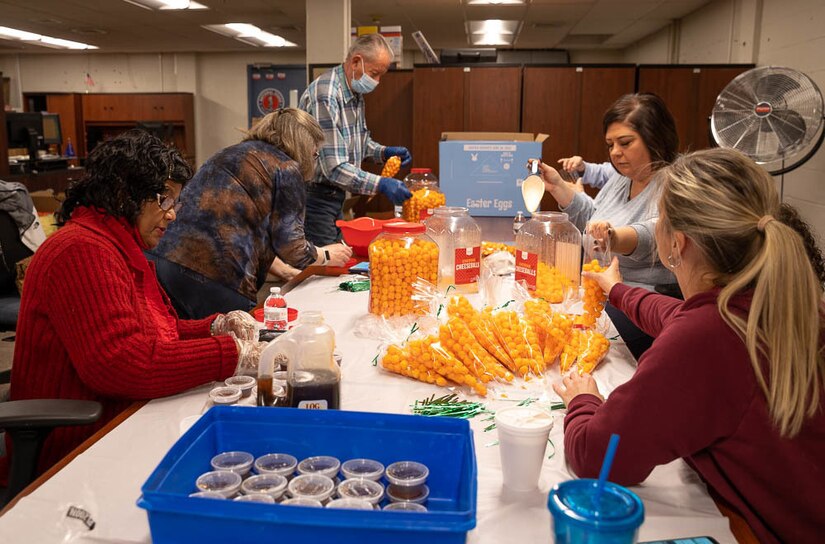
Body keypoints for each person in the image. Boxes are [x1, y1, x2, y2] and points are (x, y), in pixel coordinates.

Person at [553, 148, 825, 544]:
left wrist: (583, 399)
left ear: (675, 243)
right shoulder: (786, 301)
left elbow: (598, 456)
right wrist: (618, 291)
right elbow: (681, 317)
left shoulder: (707, 338)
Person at [6, 130, 264, 479]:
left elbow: (154, 334)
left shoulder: (117, 246)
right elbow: (123, 362)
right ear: (123, 194)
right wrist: (230, 353)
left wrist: (214, 326)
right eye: (164, 199)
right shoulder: (81, 251)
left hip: (121, 418)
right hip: (81, 447)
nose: (172, 215)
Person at [148, 109, 351, 319]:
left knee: (185, 341)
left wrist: (285, 272)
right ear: (304, 145)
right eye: (315, 153)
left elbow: (235, 229)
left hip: (163, 261)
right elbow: (293, 248)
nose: (314, 159)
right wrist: (326, 255)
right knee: (231, 345)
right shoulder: (287, 168)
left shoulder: (231, 153)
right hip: (216, 279)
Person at [536, 93, 678, 359]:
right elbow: (594, 218)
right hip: (599, 292)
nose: (615, 152)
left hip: (639, 305)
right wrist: (559, 189)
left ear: (655, 138)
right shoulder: (623, 179)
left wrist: (614, 236)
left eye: (625, 143)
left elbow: (654, 233)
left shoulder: (675, 184)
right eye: (610, 144)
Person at [299, 33, 412, 246]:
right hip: (314, 198)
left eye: (381, 76)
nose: (377, 82)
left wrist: (384, 152)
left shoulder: (354, 94)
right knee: (323, 266)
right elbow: (334, 167)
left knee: (337, 258)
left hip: (336, 196)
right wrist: (380, 184)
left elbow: (359, 141)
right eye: (374, 73)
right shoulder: (326, 94)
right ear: (356, 62)